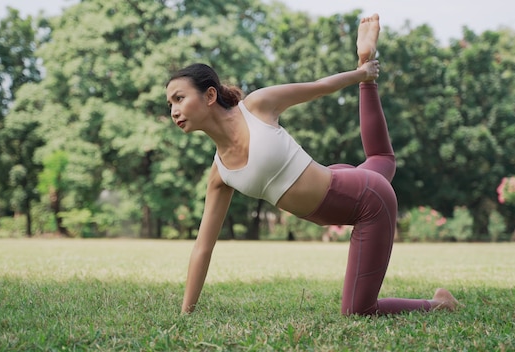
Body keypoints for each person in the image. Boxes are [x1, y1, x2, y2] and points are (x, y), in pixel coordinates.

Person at [166, 14, 459, 315]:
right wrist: (186, 313)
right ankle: (367, 69)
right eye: (170, 104)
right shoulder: (220, 174)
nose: (174, 111)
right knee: (382, 161)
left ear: (210, 95)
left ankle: (440, 305)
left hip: (367, 203)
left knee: (358, 311)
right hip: (340, 182)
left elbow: (318, 87)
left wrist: (361, 73)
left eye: (179, 98)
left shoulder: (256, 107)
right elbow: (203, 247)